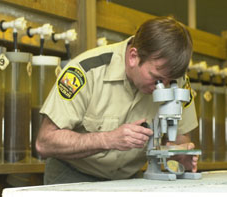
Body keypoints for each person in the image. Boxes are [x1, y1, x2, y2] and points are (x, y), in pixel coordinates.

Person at [36, 16, 199, 185]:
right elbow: (45, 142)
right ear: (133, 57)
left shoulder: (175, 80)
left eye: (169, 81)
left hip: (127, 180)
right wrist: (108, 139)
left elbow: (180, 137)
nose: (162, 88)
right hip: (73, 177)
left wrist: (181, 154)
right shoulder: (86, 71)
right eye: (157, 79)